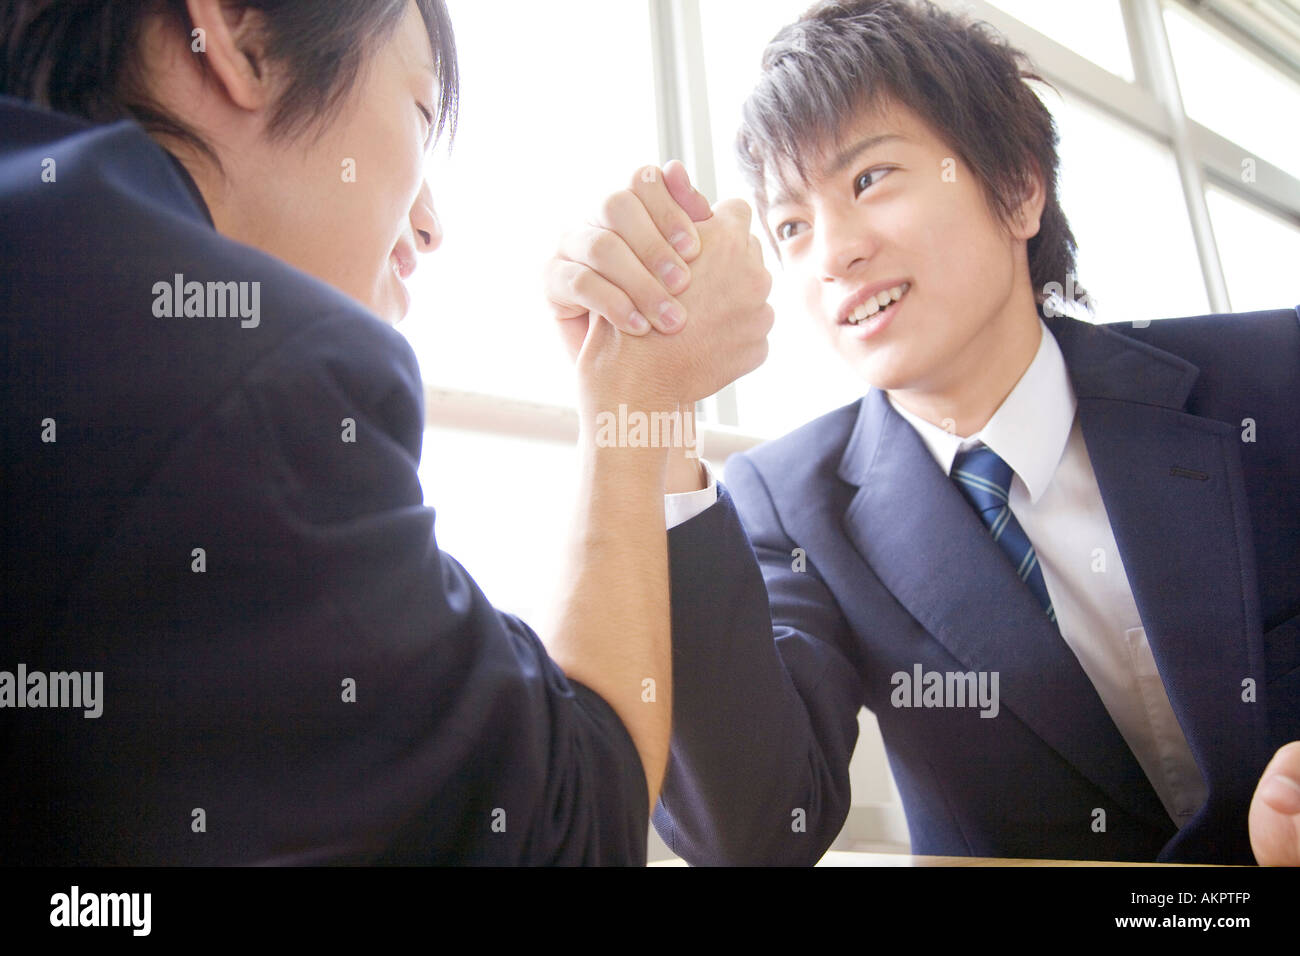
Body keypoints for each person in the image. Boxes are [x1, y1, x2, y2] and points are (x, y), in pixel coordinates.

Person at [0, 0, 772, 863]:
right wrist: (639, 384)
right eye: (417, 107)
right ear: (239, 33)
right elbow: (567, 826)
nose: (431, 224)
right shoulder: (253, 380)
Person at [545, 0, 1300, 864]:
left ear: (1017, 189)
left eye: (869, 180)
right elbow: (749, 829)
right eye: (792, 225)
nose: (832, 252)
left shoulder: (1275, 378)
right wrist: (657, 416)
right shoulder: (792, 505)